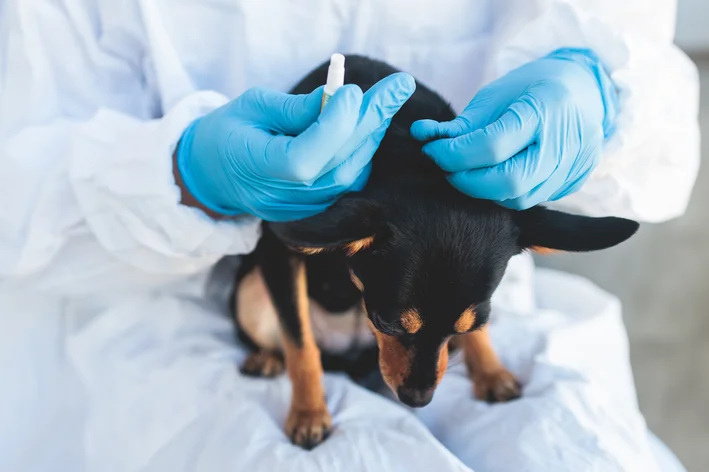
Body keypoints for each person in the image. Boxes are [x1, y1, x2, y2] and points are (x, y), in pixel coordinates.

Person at [0, 1, 698, 471]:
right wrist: (181, 176)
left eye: (455, 334)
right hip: (156, 329)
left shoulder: (448, 296)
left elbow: (650, 98)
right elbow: (19, 183)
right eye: (411, 330)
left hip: (477, 298)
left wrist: (603, 98)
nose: (418, 383)